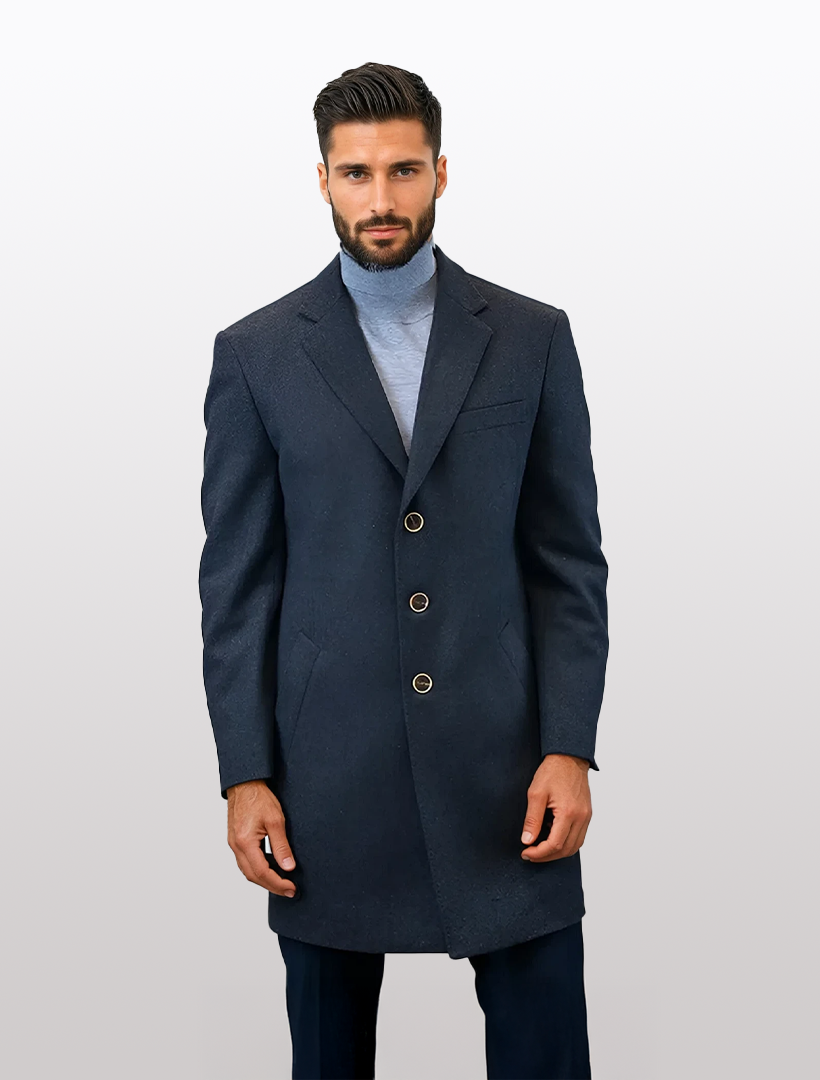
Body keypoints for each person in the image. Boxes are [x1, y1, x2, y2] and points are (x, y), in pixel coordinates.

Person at [199, 61, 608, 1080]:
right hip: (326, 778)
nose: (380, 198)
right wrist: (245, 772)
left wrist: (568, 745)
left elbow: (566, 566)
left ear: (440, 172)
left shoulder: (531, 338)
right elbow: (238, 588)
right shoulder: (256, 354)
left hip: (506, 774)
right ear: (323, 180)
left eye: (402, 170)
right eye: (356, 173)